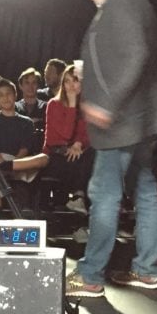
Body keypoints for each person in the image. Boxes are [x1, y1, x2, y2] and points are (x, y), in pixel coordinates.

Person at [65, 0, 157, 298]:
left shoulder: (121, 1)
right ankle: (147, 270)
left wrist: (107, 103)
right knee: (144, 189)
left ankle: (91, 276)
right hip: (140, 119)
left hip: (122, 121)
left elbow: (136, 53)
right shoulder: (136, 3)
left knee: (104, 194)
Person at [0, 78, 48, 213]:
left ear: (15, 95)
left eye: (8, 93)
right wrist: (1, 161)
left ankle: (7, 168)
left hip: (19, 162)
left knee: (43, 158)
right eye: (0, 95)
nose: (5, 97)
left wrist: (13, 163)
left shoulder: (26, 122)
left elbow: (25, 148)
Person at [43, 64, 93, 216]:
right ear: (62, 84)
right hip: (55, 155)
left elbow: (88, 134)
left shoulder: (86, 106)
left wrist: (79, 143)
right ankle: (79, 197)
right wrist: (71, 104)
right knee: (85, 161)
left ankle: (83, 202)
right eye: (67, 81)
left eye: (75, 80)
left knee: (93, 154)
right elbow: (65, 134)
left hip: (78, 154)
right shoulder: (54, 104)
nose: (71, 85)